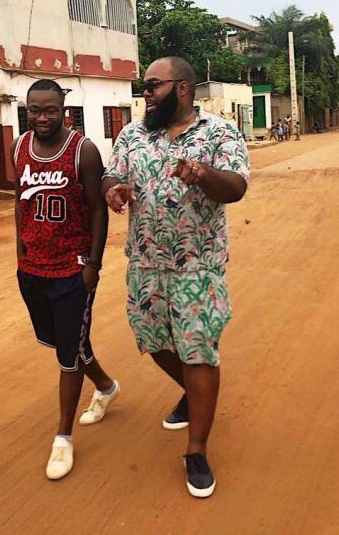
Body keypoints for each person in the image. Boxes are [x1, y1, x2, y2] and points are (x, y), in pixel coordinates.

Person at [103, 56, 249, 498]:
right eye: (144, 86)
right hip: (145, 263)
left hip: (197, 266)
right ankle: (193, 392)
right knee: (152, 341)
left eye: (153, 86)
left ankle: (197, 449)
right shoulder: (133, 134)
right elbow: (114, 171)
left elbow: (237, 187)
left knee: (198, 350)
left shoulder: (219, 132)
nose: (145, 94)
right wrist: (113, 187)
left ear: (182, 88)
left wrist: (203, 174)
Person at [13, 79, 120, 481]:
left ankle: (63, 437)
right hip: (33, 269)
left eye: (50, 110)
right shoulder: (18, 147)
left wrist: (92, 262)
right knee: (66, 341)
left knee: (67, 355)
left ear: (64, 110)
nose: (42, 118)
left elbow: (97, 210)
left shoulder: (83, 151)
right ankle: (107, 386)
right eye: (34, 110)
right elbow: (18, 201)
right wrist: (19, 252)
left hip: (72, 268)